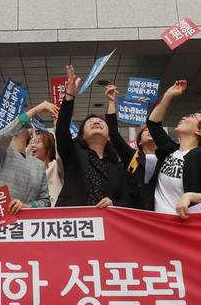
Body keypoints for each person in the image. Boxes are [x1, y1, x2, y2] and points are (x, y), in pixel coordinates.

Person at [145, 78, 201, 219]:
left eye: (191, 116)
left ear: (200, 131)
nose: (183, 117)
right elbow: (153, 124)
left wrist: (190, 196)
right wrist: (169, 95)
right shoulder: (170, 150)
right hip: (157, 224)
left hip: (184, 226)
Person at [55, 68, 131, 209]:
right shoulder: (72, 152)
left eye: (101, 122)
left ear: (109, 137)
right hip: (73, 221)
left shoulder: (118, 166)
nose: (96, 122)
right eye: (90, 123)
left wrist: (113, 203)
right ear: (82, 135)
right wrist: (70, 95)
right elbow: (61, 130)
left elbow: (127, 201)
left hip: (106, 224)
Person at [0, 99, 56, 213]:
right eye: (18, 121)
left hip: (26, 225)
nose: (26, 122)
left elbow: (45, 201)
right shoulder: (0, 151)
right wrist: (35, 110)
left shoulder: (38, 165)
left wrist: (27, 206)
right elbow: (3, 136)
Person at [103, 85, 154, 210]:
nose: (150, 132)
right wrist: (111, 101)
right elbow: (114, 133)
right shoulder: (133, 158)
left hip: (163, 214)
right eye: (146, 131)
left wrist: (144, 112)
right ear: (139, 142)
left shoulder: (167, 158)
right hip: (136, 214)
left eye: (153, 131)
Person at [28, 130, 64, 206]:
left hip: (56, 213)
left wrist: (57, 127)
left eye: (38, 142)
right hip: (36, 213)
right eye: (32, 143)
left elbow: (60, 149)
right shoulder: (29, 170)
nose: (33, 145)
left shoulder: (57, 166)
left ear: (49, 147)